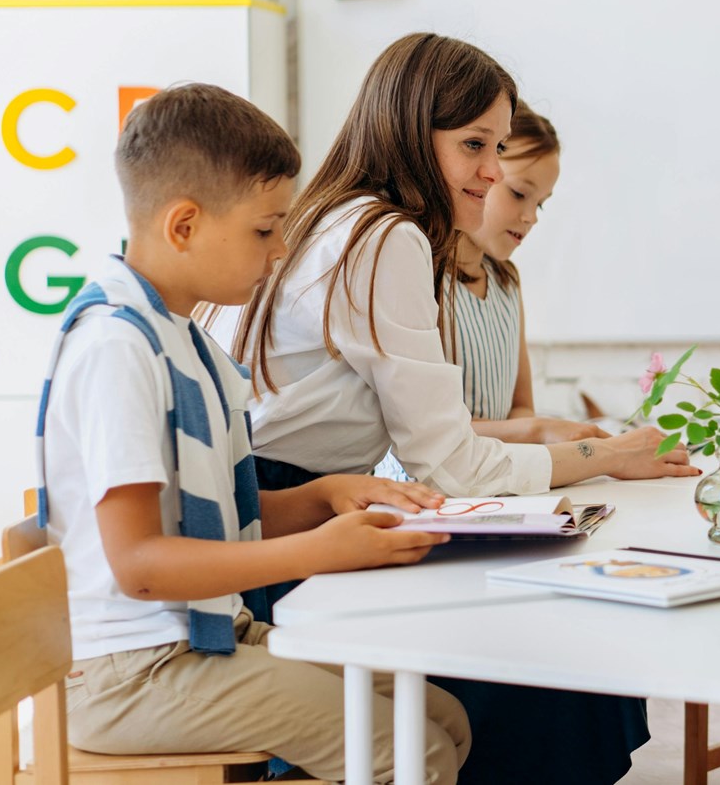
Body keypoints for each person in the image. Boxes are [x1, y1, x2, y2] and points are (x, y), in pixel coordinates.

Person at [212, 33, 685, 784]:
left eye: (498, 147)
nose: (493, 173)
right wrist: (608, 456)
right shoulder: (388, 237)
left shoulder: (342, 217)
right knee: (551, 663)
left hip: (295, 513)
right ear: (408, 128)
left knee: (547, 644)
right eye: (474, 145)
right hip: (292, 540)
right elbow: (454, 465)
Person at [39, 83, 469, 784]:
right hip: (132, 672)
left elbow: (214, 523)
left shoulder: (181, 338)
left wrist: (326, 496)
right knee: (409, 754)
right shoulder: (118, 349)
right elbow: (141, 565)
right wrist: (318, 549)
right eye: (264, 231)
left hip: (198, 635)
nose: (279, 252)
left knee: (444, 717)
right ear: (184, 226)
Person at [373, 99, 602, 486]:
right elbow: (423, 436)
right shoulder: (419, 275)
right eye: (518, 194)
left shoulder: (506, 283)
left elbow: (521, 405)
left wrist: (535, 433)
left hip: (497, 482)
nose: (529, 217)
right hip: (425, 492)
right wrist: (539, 432)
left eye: (540, 205)